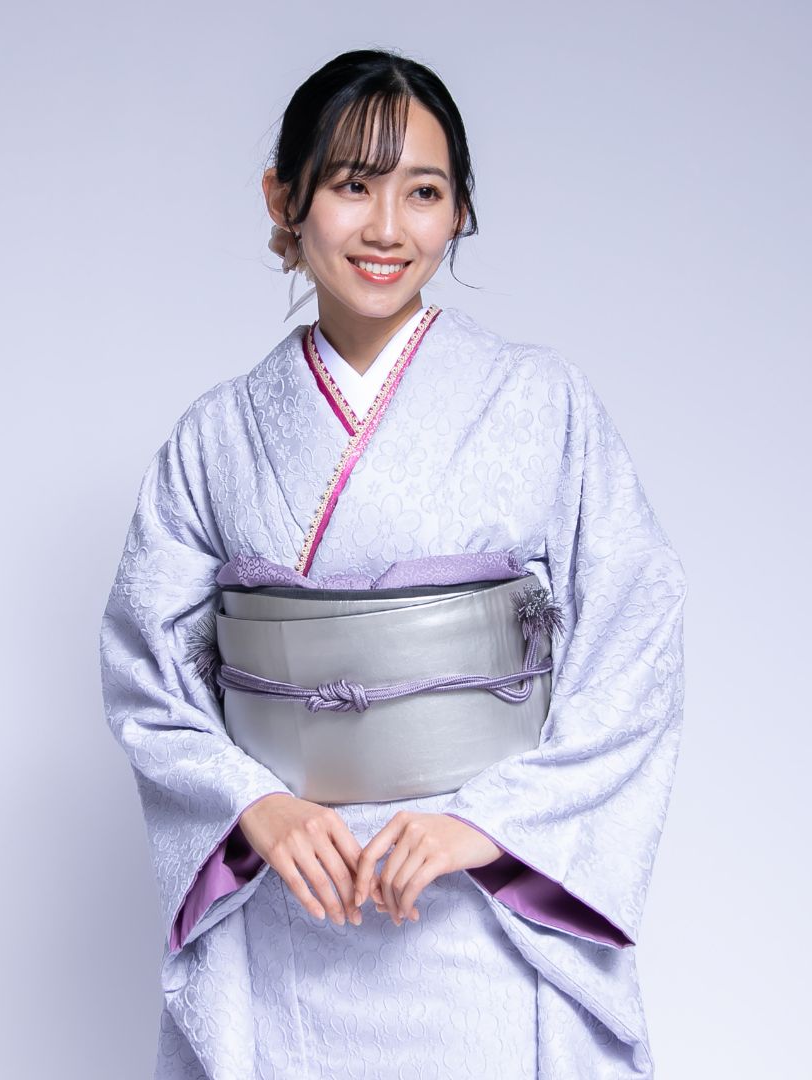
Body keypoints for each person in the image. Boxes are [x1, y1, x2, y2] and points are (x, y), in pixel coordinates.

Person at [99, 48, 687, 1080]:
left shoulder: (540, 404)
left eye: (423, 192)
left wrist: (491, 825)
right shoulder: (216, 438)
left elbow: (635, 636)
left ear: (458, 210)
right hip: (290, 900)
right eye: (351, 185)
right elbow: (147, 672)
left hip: (479, 906)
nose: (387, 229)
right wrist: (254, 808)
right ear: (284, 199)